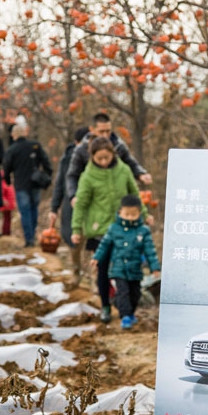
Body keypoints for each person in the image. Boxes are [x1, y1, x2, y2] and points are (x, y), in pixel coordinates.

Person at [71, 137, 146, 323]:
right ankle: (105, 305)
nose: (103, 162)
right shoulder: (88, 176)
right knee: (103, 271)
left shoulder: (124, 170)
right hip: (100, 230)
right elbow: (81, 204)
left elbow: (134, 194)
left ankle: (127, 308)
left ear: (113, 154)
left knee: (127, 269)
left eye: (106, 157)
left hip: (125, 228)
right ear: (92, 158)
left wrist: (144, 214)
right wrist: (76, 228)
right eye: (99, 159)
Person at [91, 194, 160, 329]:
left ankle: (131, 313)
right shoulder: (114, 229)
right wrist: (97, 258)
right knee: (122, 292)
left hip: (135, 269)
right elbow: (104, 245)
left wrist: (155, 267)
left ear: (139, 214)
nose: (130, 217)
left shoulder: (143, 231)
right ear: (120, 213)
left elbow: (150, 250)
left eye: (133, 214)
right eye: (127, 214)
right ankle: (125, 316)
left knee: (135, 294)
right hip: (118, 269)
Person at [64, 113, 152, 211]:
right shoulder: (81, 150)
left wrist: (141, 174)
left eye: (108, 131)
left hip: (116, 197)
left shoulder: (118, 146)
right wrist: (73, 195)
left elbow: (131, 163)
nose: (105, 135)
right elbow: (72, 175)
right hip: (93, 197)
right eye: (101, 131)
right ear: (92, 130)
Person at [2, 115, 52, 247]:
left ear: (14, 135)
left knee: (25, 211)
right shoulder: (35, 145)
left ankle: (29, 238)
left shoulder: (12, 150)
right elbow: (46, 161)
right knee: (33, 208)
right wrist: (47, 174)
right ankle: (32, 234)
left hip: (21, 184)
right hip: (35, 183)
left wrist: (7, 180)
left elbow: (6, 167)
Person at [49, 127, 89, 285]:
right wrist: (54, 208)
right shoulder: (67, 158)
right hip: (71, 203)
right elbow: (60, 183)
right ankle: (76, 270)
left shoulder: (97, 156)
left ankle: (93, 275)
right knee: (74, 239)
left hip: (93, 204)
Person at [0, 169, 15, 236]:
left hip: (9, 205)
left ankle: (7, 231)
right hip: (6, 205)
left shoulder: (8, 183)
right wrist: (4, 200)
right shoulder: (3, 184)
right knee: (6, 219)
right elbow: (2, 194)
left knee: (8, 219)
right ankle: (5, 232)